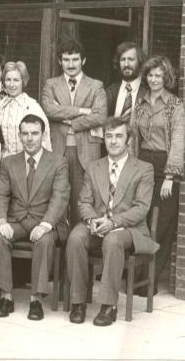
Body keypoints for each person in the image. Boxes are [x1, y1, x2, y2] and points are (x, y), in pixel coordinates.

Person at [66, 117, 158, 326]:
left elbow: (141, 208)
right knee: (75, 237)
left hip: (129, 229)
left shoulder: (143, 168)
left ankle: (109, 305)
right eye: (109, 136)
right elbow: (84, 202)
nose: (113, 141)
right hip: (97, 225)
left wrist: (113, 223)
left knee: (113, 241)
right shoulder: (93, 166)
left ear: (128, 140)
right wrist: (92, 221)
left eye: (119, 136)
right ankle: (78, 302)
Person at [0, 114, 70, 321]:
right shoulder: (9, 162)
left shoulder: (58, 162)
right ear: (20, 135)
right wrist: (1, 221)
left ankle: (36, 299)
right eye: (25, 134)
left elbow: (60, 197)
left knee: (43, 241)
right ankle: (5, 297)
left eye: (35, 133)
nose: (30, 138)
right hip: (16, 221)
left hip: (45, 222)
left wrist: (45, 224)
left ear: (43, 135)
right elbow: (0, 194)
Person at [130, 55, 183, 295]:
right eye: (150, 75)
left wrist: (170, 176)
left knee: (162, 222)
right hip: (142, 161)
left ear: (166, 77)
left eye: (158, 75)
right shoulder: (139, 103)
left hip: (164, 164)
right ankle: (136, 278)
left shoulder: (175, 105)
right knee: (141, 217)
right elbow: (133, 137)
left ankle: (150, 280)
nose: (153, 79)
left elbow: (179, 141)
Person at [41, 39, 107, 227]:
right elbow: (48, 109)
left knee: (82, 202)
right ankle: (57, 249)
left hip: (85, 152)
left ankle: (76, 248)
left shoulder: (96, 86)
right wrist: (82, 111)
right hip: (57, 150)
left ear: (83, 60)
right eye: (66, 59)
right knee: (56, 201)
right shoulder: (51, 84)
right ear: (59, 61)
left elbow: (100, 116)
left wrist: (70, 119)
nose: (70, 64)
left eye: (75, 59)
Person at [0, 61, 51, 158]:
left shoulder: (32, 106)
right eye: (8, 80)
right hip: (3, 164)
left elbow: (44, 141)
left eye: (16, 80)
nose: (12, 85)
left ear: (23, 81)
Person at [105, 42, 146, 121]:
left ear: (140, 62)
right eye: (123, 60)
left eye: (131, 59)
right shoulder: (109, 92)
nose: (126, 64)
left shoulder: (149, 91)